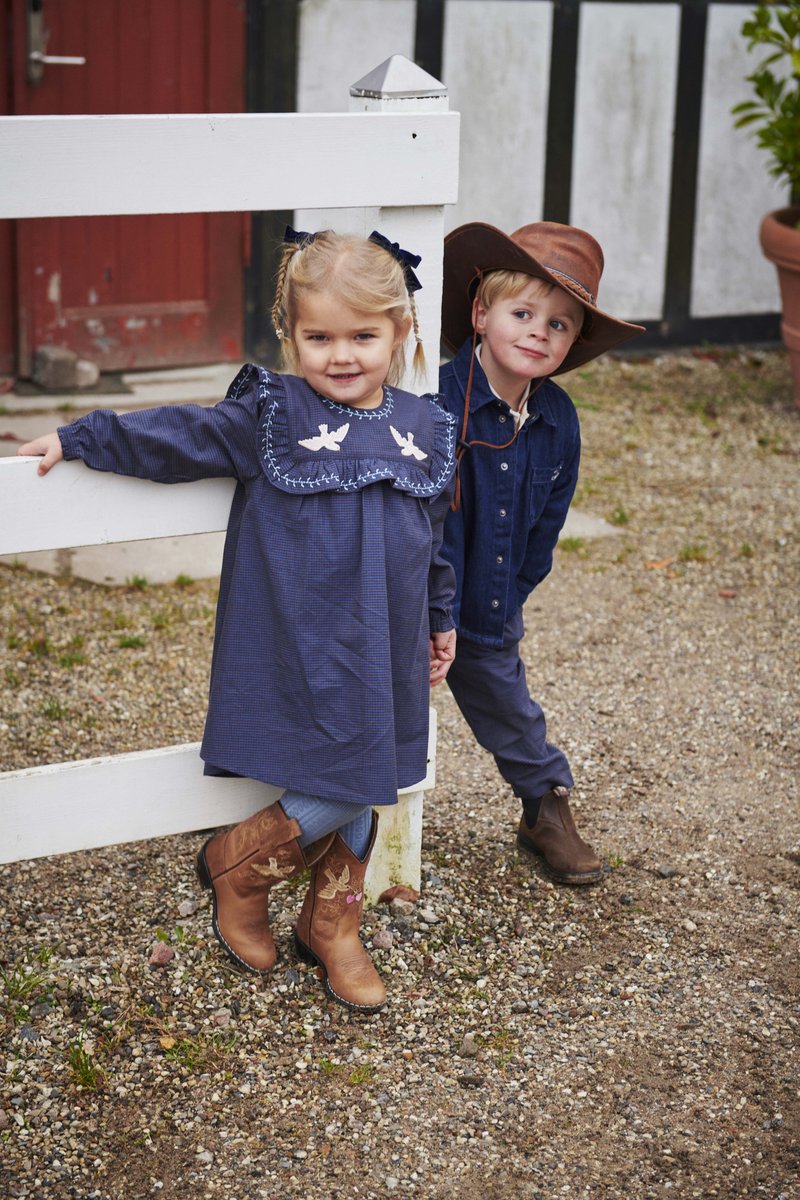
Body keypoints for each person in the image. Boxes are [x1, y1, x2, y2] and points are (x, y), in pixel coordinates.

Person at [18, 228, 458, 1013]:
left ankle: (329, 923)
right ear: (290, 336)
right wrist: (83, 436)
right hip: (300, 639)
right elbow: (180, 435)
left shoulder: (421, 428)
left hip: (385, 643)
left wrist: (439, 613)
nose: (342, 355)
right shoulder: (273, 412)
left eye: (364, 335)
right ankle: (241, 870)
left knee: (376, 772)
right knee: (355, 779)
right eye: (319, 337)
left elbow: (430, 536)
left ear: (401, 332)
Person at [437, 221, 644, 885]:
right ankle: (324, 820)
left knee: (510, 704)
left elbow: (545, 524)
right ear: (480, 314)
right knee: (368, 708)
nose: (537, 332)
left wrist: (510, 593)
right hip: (410, 596)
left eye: (558, 324)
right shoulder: (436, 404)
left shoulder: (557, 419)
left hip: (488, 601)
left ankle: (544, 806)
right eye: (522, 313)